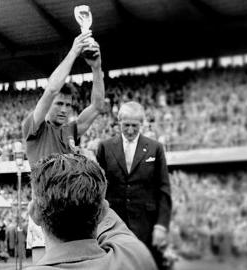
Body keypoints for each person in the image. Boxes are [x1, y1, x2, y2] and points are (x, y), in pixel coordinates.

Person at [22, 31, 105, 263]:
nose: (63, 109)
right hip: (44, 207)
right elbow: (50, 90)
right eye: (59, 104)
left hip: (72, 208)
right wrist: (74, 51)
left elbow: (98, 106)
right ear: (49, 104)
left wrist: (96, 68)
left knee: (78, 264)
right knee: (43, 264)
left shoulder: (70, 130)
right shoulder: (34, 126)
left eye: (68, 105)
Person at [27, 153, 157, 270]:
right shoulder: (135, 257)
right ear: (102, 212)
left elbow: (103, 208)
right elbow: (111, 221)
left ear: (34, 213)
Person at [96, 101, 172, 270]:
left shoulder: (155, 148)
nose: (130, 130)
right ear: (119, 123)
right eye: (126, 125)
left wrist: (161, 226)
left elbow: (164, 189)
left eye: (134, 125)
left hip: (147, 225)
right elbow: (99, 189)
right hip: (115, 225)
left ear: (142, 124)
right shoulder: (105, 147)